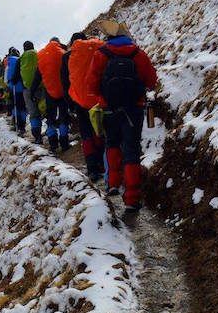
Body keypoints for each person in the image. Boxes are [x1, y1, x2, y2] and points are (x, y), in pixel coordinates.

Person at [84, 19, 158, 211]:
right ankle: (132, 198)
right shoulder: (138, 54)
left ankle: (113, 183)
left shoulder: (101, 54)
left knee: (112, 144)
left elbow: (90, 85)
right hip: (134, 109)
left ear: (109, 38)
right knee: (132, 151)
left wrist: (104, 94)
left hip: (109, 109)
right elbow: (151, 81)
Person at [67, 31, 107, 182]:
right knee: (99, 130)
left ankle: (92, 170)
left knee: (86, 134)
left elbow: (67, 82)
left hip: (79, 100)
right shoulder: (99, 48)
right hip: (98, 97)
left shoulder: (68, 56)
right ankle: (102, 164)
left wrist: (71, 103)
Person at [37, 37, 71, 152]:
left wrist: (32, 91)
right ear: (58, 43)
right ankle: (64, 143)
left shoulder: (41, 55)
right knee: (63, 116)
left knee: (50, 117)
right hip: (63, 91)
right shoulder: (63, 53)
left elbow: (38, 75)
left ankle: (53, 144)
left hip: (49, 91)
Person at [18, 41, 44, 144]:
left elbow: (15, 76)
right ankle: (53, 135)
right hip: (40, 86)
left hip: (27, 89)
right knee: (44, 108)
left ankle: (37, 136)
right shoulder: (38, 54)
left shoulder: (21, 59)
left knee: (33, 112)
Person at [4, 47, 27, 133]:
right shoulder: (22, 61)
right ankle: (23, 126)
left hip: (13, 88)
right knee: (23, 107)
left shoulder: (9, 63)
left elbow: (6, 79)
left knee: (15, 106)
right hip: (23, 88)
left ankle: (16, 124)